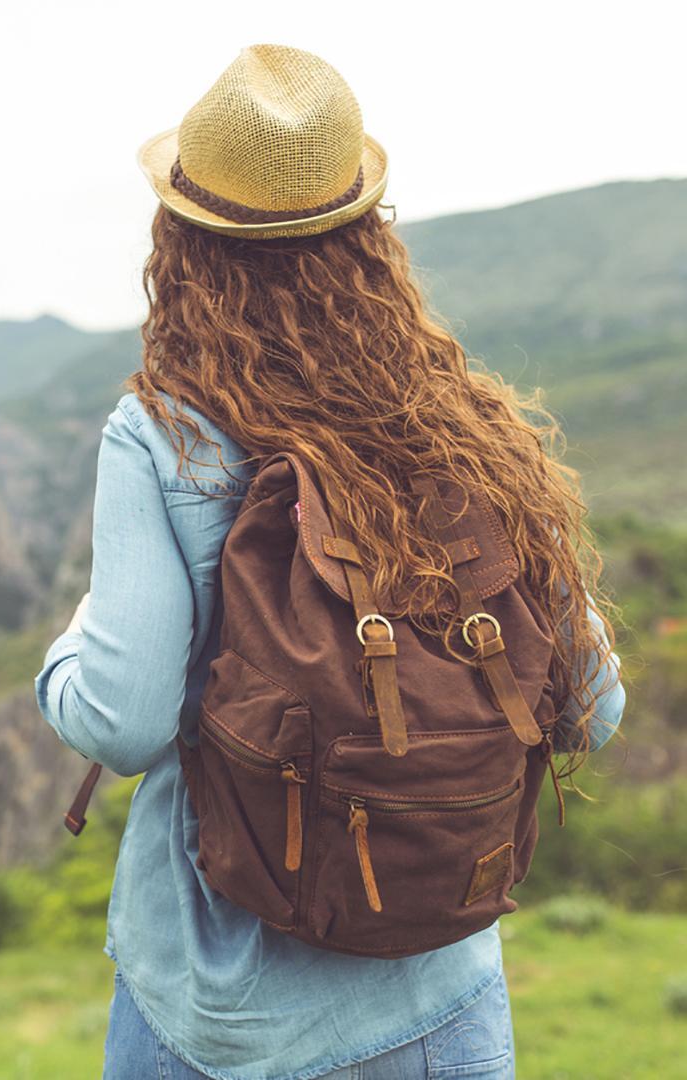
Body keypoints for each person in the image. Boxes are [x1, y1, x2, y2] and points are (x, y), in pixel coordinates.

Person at [34, 44, 626, 1080]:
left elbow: (121, 721)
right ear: (367, 236)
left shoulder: (167, 433)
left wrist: (64, 651)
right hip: (442, 1003)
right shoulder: (466, 425)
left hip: (222, 1010)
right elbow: (593, 710)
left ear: (184, 241)